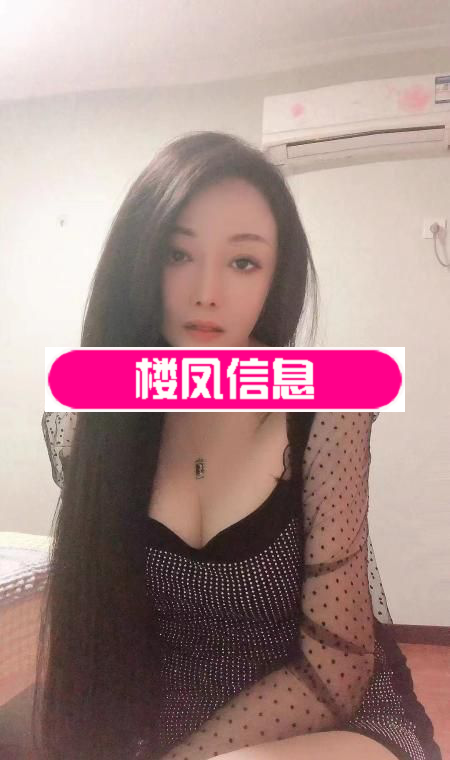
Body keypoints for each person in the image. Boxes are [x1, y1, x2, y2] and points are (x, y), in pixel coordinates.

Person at [37, 132, 441, 760]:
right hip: (165, 723)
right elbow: (95, 635)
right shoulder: (90, 421)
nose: (207, 291)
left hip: (328, 716)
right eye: (177, 254)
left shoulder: (328, 409)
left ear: (276, 278)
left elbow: (337, 664)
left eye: (243, 262)